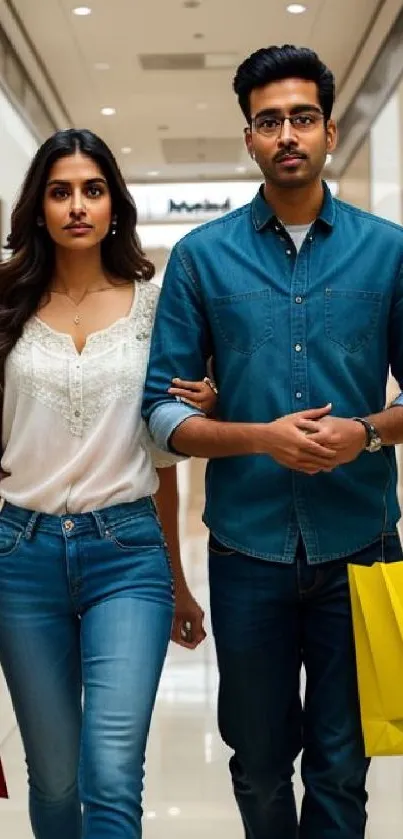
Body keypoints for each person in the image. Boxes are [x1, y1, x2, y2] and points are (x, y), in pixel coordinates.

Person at [142, 44, 403, 839]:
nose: (286, 134)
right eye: (267, 121)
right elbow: (160, 414)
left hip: (361, 545)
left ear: (327, 130)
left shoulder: (389, 251)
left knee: (341, 764)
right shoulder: (199, 258)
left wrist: (362, 432)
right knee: (256, 763)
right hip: (247, 552)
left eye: (301, 117)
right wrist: (259, 436)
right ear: (248, 138)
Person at [0, 128, 213, 839]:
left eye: (92, 189)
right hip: (19, 556)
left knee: (113, 774)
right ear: (38, 207)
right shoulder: (6, 303)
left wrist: (180, 582)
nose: (77, 205)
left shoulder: (155, 306)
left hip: (126, 555)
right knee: (55, 777)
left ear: (114, 205)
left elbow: (160, 455)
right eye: (59, 191)